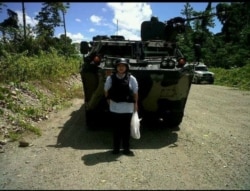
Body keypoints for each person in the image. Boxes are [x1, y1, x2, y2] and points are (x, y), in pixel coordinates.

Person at [104, 58, 138, 156]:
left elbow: (135, 93)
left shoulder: (132, 79)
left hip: (128, 108)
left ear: (126, 67)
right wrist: (108, 100)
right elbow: (106, 90)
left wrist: (136, 105)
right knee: (116, 130)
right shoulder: (110, 78)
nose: (121, 68)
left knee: (126, 130)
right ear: (116, 67)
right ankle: (116, 149)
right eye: (119, 66)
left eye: (123, 66)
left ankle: (126, 149)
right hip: (115, 108)